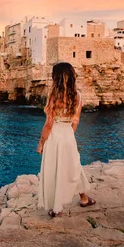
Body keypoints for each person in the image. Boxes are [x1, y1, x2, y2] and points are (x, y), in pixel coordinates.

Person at [36, 62, 95, 218]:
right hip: (68, 134)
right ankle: (83, 198)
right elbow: (76, 121)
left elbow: (48, 124)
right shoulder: (78, 96)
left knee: (54, 169)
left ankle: (57, 209)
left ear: (56, 78)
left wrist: (41, 143)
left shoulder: (53, 96)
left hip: (54, 135)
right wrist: (69, 135)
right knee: (73, 167)